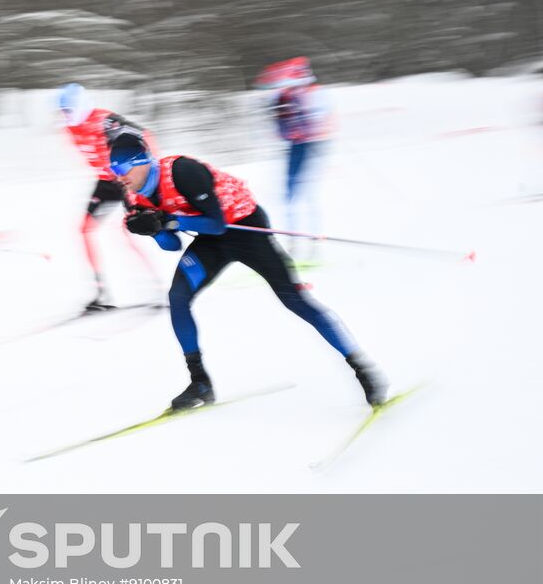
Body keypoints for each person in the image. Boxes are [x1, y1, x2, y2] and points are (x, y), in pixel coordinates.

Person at [105, 132, 386, 409]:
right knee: (178, 297)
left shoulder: (182, 171)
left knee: (295, 300)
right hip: (212, 244)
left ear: (142, 160)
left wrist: (170, 221)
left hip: (246, 229)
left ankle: (361, 368)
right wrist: (153, 231)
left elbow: (216, 222)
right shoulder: (131, 198)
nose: (118, 175)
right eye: (112, 168)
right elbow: (172, 245)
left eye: (121, 166)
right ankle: (200, 382)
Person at [57, 82, 160, 312]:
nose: (65, 115)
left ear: (81, 106)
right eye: (62, 111)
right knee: (83, 229)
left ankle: (158, 289)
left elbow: (145, 135)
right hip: (105, 183)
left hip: (126, 182)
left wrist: (145, 171)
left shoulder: (105, 121)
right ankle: (100, 292)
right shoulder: (70, 128)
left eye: (68, 110)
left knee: (127, 232)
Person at [254, 58, 333, 257]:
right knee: (290, 196)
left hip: (311, 146)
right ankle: (293, 244)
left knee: (305, 194)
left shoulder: (314, 93)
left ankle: (314, 246)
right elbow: (276, 121)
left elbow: (322, 118)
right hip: (295, 147)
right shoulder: (284, 96)